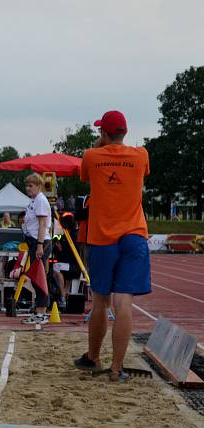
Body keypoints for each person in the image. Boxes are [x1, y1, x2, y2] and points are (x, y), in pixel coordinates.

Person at [74, 110, 151, 382]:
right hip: (133, 235)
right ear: (125, 132)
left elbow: (84, 174)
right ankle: (117, 368)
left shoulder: (92, 156)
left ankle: (93, 358)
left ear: (104, 133)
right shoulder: (141, 155)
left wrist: (99, 146)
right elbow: (143, 171)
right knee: (124, 303)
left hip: (102, 238)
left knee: (99, 302)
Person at [20, 173, 52, 325]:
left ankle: (42, 312)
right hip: (34, 241)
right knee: (35, 278)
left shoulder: (40, 200)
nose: (28, 188)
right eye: (27, 186)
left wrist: (39, 245)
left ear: (39, 186)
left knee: (39, 278)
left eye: (31, 186)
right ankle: (39, 310)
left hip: (40, 242)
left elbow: (43, 224)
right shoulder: (34, 201)